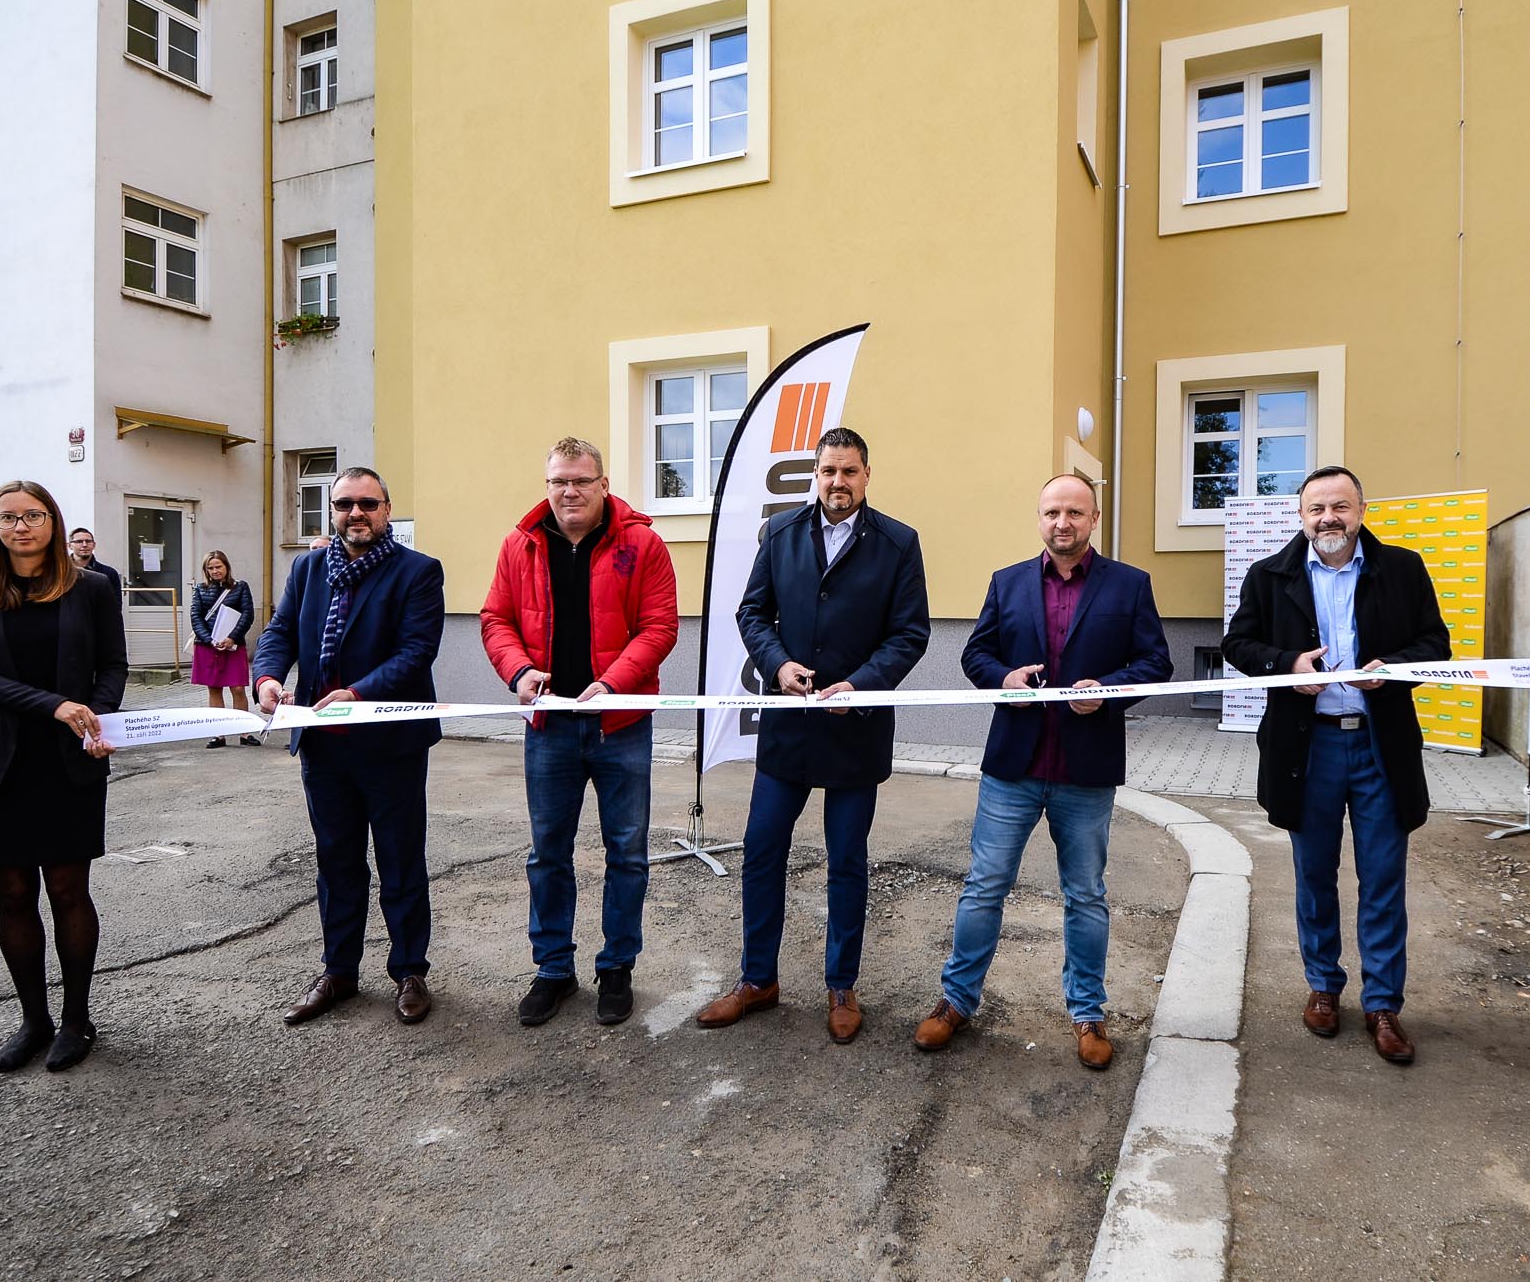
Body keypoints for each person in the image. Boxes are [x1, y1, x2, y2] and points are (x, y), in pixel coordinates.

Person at [914, 474, 1171, 1069]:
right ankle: (956, 1001)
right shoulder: (1007, 583)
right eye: (1053, 512)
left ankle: (1087, 1014)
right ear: (1039, 518)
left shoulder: (1130, 585)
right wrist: (1002, 679)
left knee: (1085, 895)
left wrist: (1107, 692)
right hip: (1015, 765)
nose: (1063, 523)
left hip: (1086, 769)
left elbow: (1155, 662)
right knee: (984, 887)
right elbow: (975, 653)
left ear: (1094, 518)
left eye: (1075, 513)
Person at [697, 427, 930, 1043]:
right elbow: (752, 612)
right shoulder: (779, 534)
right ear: (815, 473)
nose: (837, 482)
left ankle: (841, 986)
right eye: (828, 471)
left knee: (846, 862)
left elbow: (910, 633)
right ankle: (757, 981)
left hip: (854, 730)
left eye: (849, 471)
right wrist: (776, 665)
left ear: (867, 474)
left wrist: (860, 684)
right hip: (789, 730)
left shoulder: (898, 543)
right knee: (763, 850)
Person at [1223, 465, 1449, 1065]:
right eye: (1317, 508)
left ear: (1361, 510)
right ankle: (1324, 986)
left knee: (1382, 877)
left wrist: (1392, 667)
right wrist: (1287, 663)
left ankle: (1383, 1005)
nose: (1329, 518)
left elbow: (1435, 644)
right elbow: (1237, 645)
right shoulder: (1270, 575)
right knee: (1314, 874)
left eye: (1340, 507)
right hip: (1308, 747)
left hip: (1380, 744)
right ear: (1301, 517)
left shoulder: (1401, 569)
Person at [479, 437, 679, 1027]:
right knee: (548, 854)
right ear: (547, 486)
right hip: (550, 726)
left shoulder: (642, 543)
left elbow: (659, 626)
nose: (570, 491)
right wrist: (517, 671)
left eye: (581, 481)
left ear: (603, 485)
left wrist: (614, 684)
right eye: (559, 481)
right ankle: (553, 969)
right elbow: (496, 619)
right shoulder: (520, 545)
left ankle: (617, 966)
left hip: (620, 724)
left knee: (628, 852)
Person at [253, 466, 446, 1028]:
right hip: (323, 748)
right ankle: (338, 970)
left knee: (400, 859)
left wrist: (357, 693)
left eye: (367, 503)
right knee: (337, 862)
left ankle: (409, 971)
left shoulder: (417, 572)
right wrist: (267, 678)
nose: (355, 513)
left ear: (386, 509)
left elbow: (416, 651)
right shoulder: (309, 567)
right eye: (344, 504)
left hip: (390, 746)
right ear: (331, 511)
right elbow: (280, 632)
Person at [0, 481, 127, 1071]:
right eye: (8, 517)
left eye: (33, 515)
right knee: (13, 894)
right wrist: (55, 705)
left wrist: (97, 719)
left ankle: (77, 1021)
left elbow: (112, 664)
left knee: (69, 892)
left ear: (52, 521)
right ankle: (33, 1019)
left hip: (68, 760)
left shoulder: (92, 589)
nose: (21, 526)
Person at [191, 550, 259, 748]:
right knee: (214, 688)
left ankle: (244, 732)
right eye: (210, 568)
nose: (215, 571)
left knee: (238, 688)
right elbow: (196, 617)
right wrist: (210, 640)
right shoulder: (200, 589)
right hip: (208, 646)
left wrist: (231, 638)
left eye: (218, 566)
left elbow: (247, 615)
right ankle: (218, 733)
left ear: (226, 567)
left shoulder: (240, 587)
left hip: (233, 645)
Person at [67, 527, 125, 598]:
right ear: (69, 546)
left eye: (88, 541)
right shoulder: (60, 572)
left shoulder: (109, 573)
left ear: (94, 545)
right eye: (79, 541)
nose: (84, 545)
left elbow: (116, 605)